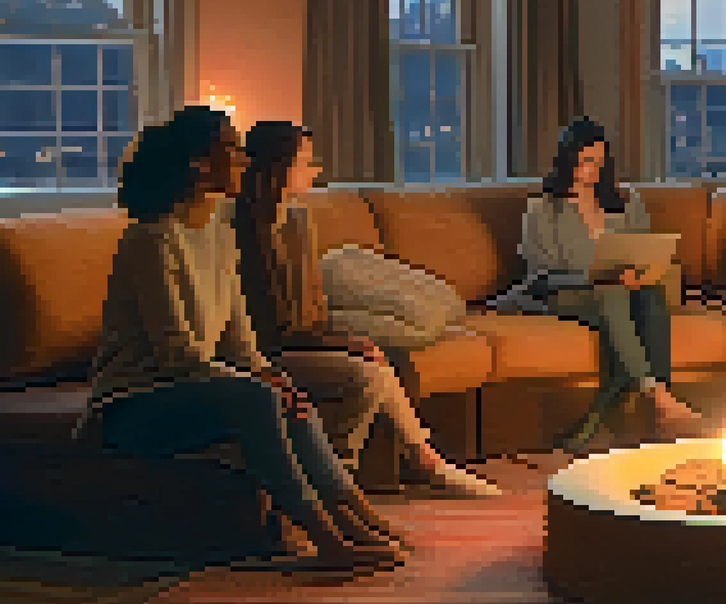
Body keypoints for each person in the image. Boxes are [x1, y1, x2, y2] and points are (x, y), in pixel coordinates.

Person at [77, 106, 404, 573]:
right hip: (134, 403)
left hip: (198, 387)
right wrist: (260, 383)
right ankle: (326, 538)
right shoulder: (151, 239)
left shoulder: (216, 230)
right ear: (197, 163)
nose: (245, 161)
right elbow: (176, 353)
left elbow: (239, 338)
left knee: (288, 394)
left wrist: (273, 375)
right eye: (232, 150)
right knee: (259, 396)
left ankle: (357, 517)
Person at [232, 121, 500, 497]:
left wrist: (340, 339)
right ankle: (345, 476)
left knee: (378, 358)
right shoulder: (239, 230)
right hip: (267, 348)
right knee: (368, 371)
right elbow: (270, 325)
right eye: (306, 162)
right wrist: (339, 343)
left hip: (302, 333)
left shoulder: (297, 221)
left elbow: (312, 308)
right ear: (279, 167)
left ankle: (415, 463)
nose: (315, 171)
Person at [500, 117, 702, 453]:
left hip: (621, 290)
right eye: (582, 162)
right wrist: (594, 277)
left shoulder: (625, 202)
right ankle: (659, 396)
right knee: (613, 295)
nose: (589, 170)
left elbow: (642, 247)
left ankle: (625, 414)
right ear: (567, 161)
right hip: (561, 293)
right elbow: (541, 270)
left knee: (649, 296)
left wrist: (636, 272)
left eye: (596, 162)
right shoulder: (543, 209)